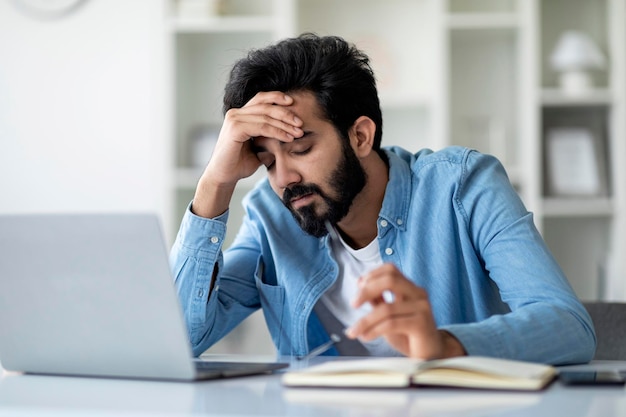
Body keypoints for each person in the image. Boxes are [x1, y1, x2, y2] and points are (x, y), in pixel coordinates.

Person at [170, 33, 596, 364]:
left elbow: (568, 326)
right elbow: (179, 340)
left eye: (300, 150)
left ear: (360, 135)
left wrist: (443, 345)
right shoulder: (271, 215)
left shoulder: (464, 186)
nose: (284, 178)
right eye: (266, 160)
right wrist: (214, 185)